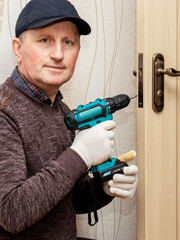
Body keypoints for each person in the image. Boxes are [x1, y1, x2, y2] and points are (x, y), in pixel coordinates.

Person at [0, 0, 138, 239]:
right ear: (17, 49)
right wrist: (80, 154)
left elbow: (67, 201)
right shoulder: (4, 112)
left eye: (68, 42)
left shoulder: (62, 111)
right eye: (45, 40)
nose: (58, 54)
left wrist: (104, 186)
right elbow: (11, 213)